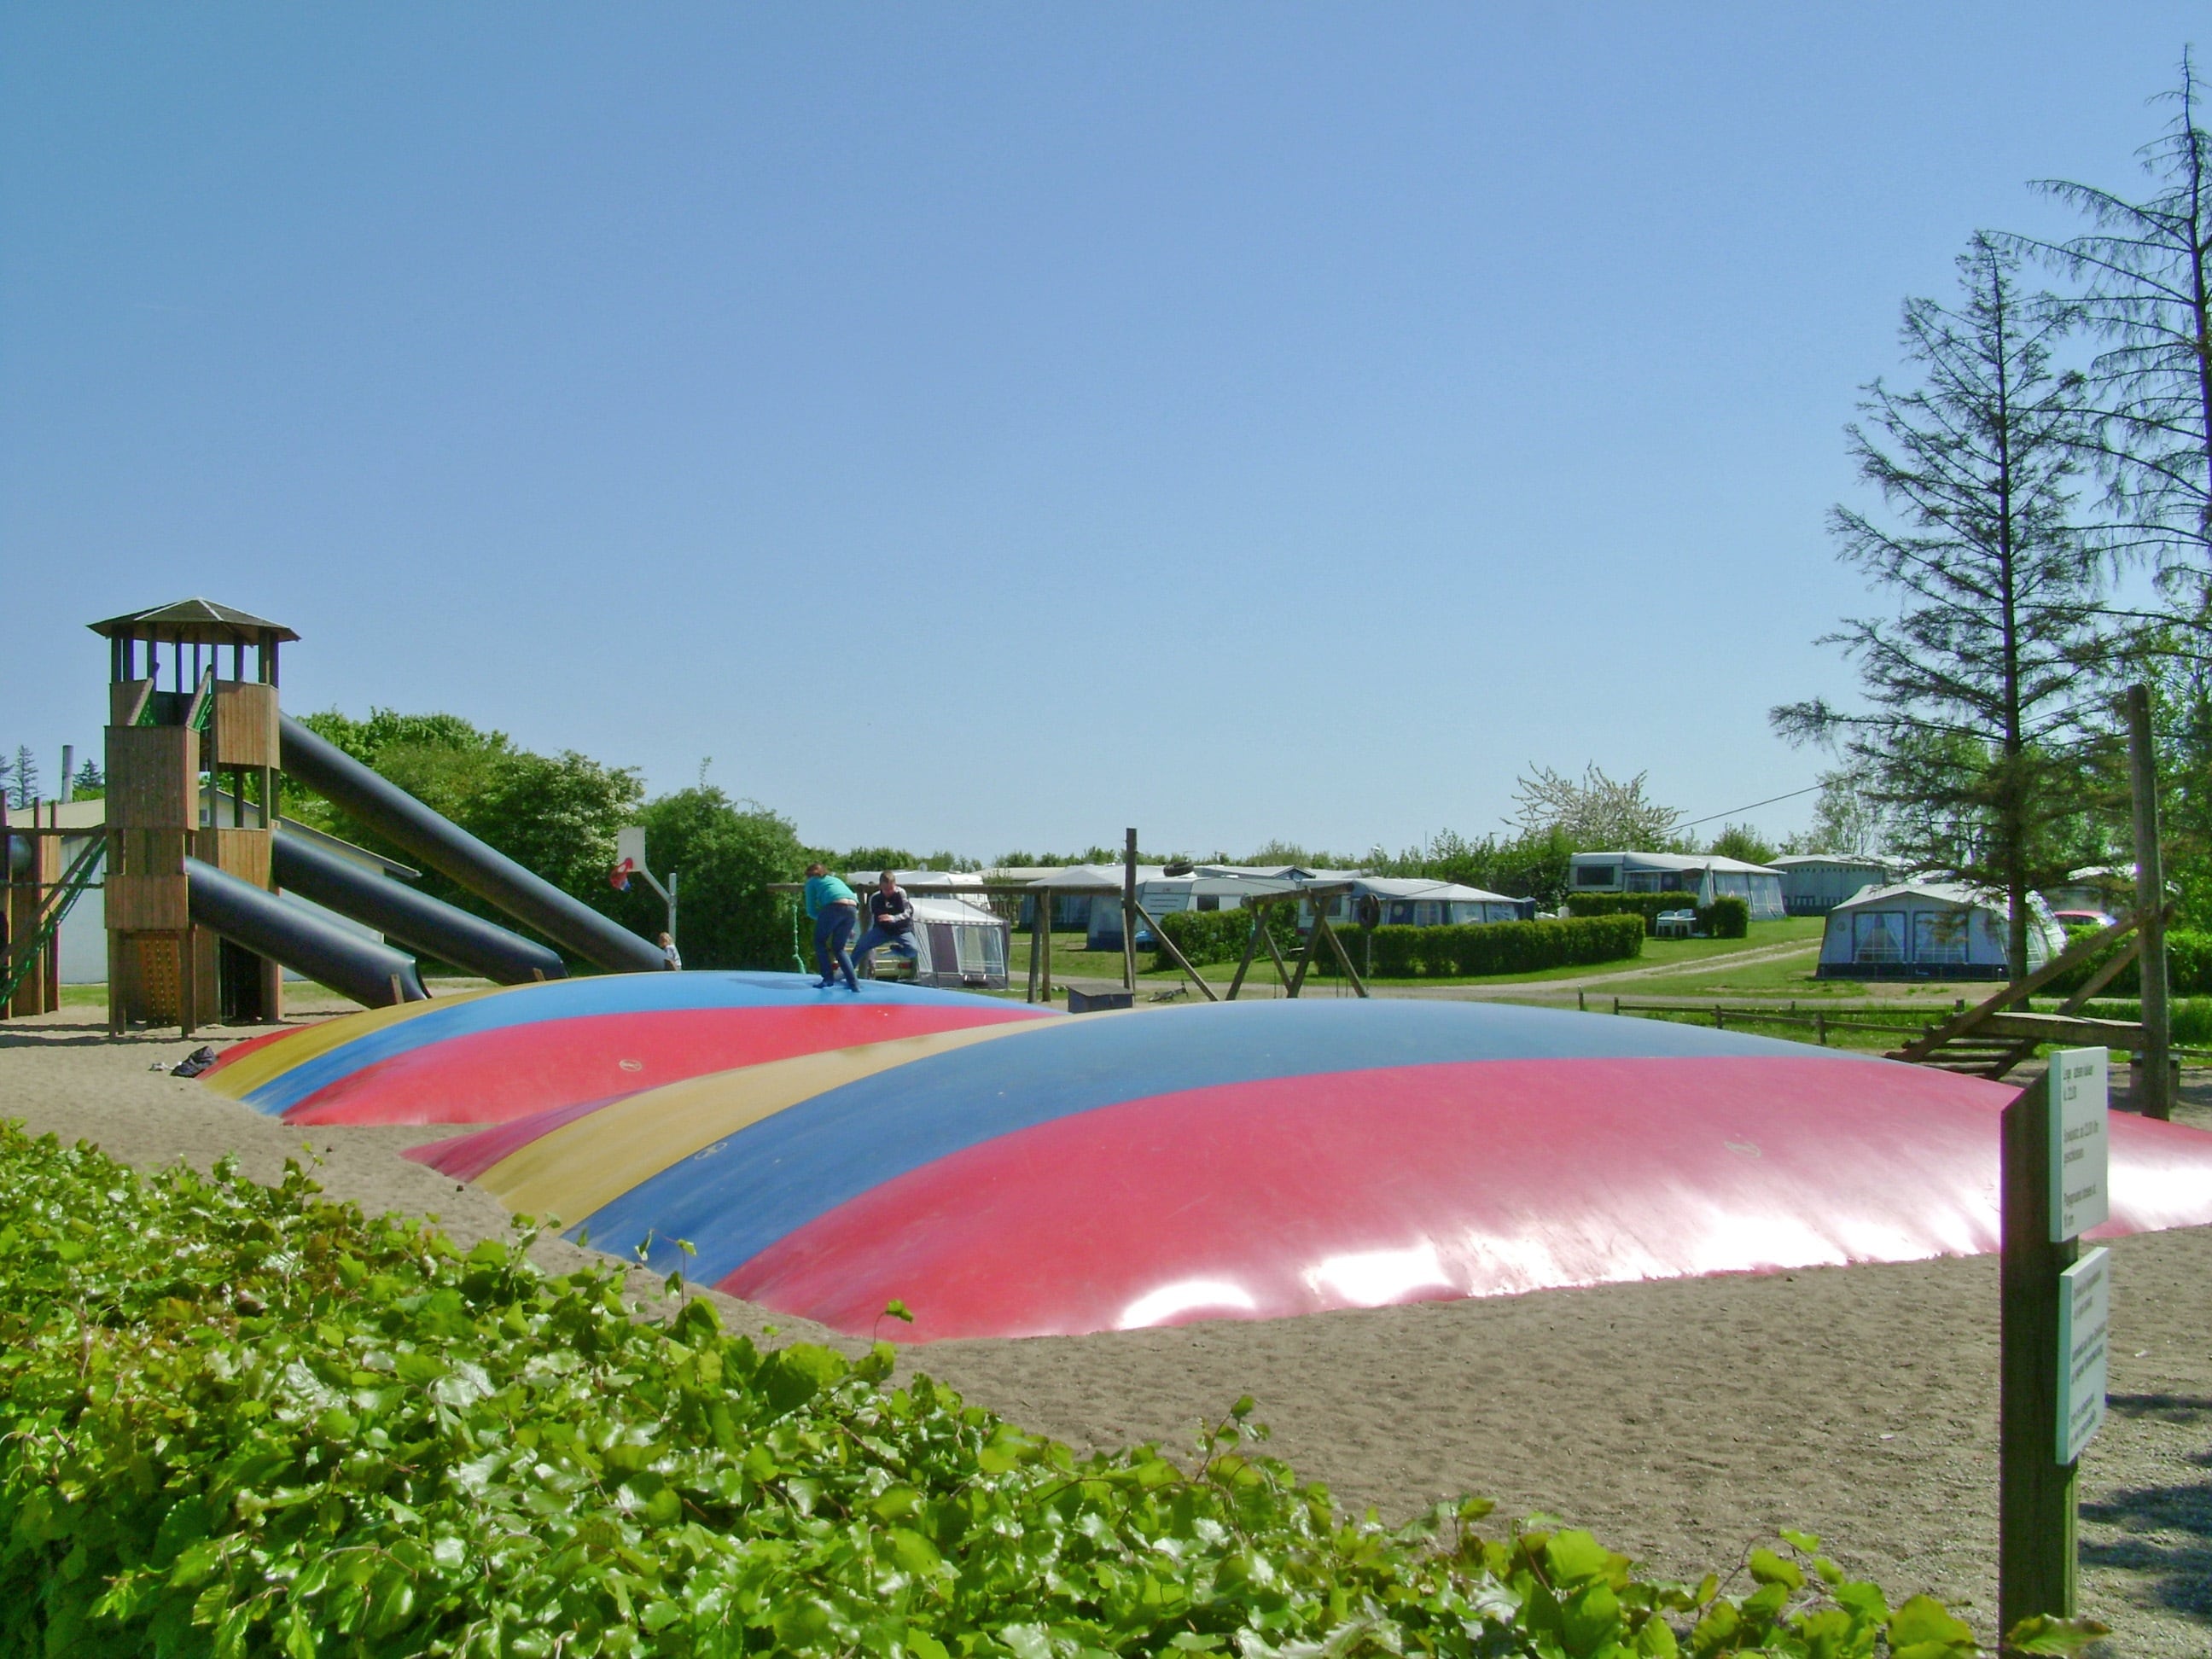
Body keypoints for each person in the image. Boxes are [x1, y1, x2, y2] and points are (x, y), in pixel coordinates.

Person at [802, 862, 860, 991]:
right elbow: (846, 901)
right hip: (853, 908)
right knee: (839, 948)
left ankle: (828, 978)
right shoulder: (835, 879)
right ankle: (854, 984)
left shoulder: (811, 882)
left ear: (809, 875)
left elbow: (811, 910)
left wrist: (826, 919)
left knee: (819, 941)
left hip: (834, 906)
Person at [853, 871, 920, 979]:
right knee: (861, 944)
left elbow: (908, 912)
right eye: (886, 889)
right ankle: (847, 970)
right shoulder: (875, 898)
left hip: (901, 929)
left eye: (891, 889)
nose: (889, 892)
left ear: (895, 885)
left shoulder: (901, 893)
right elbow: (873, 919)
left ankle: (897, 950)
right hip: (882, 930)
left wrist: (893, 918)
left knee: (913, 950)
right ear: (880, 887)